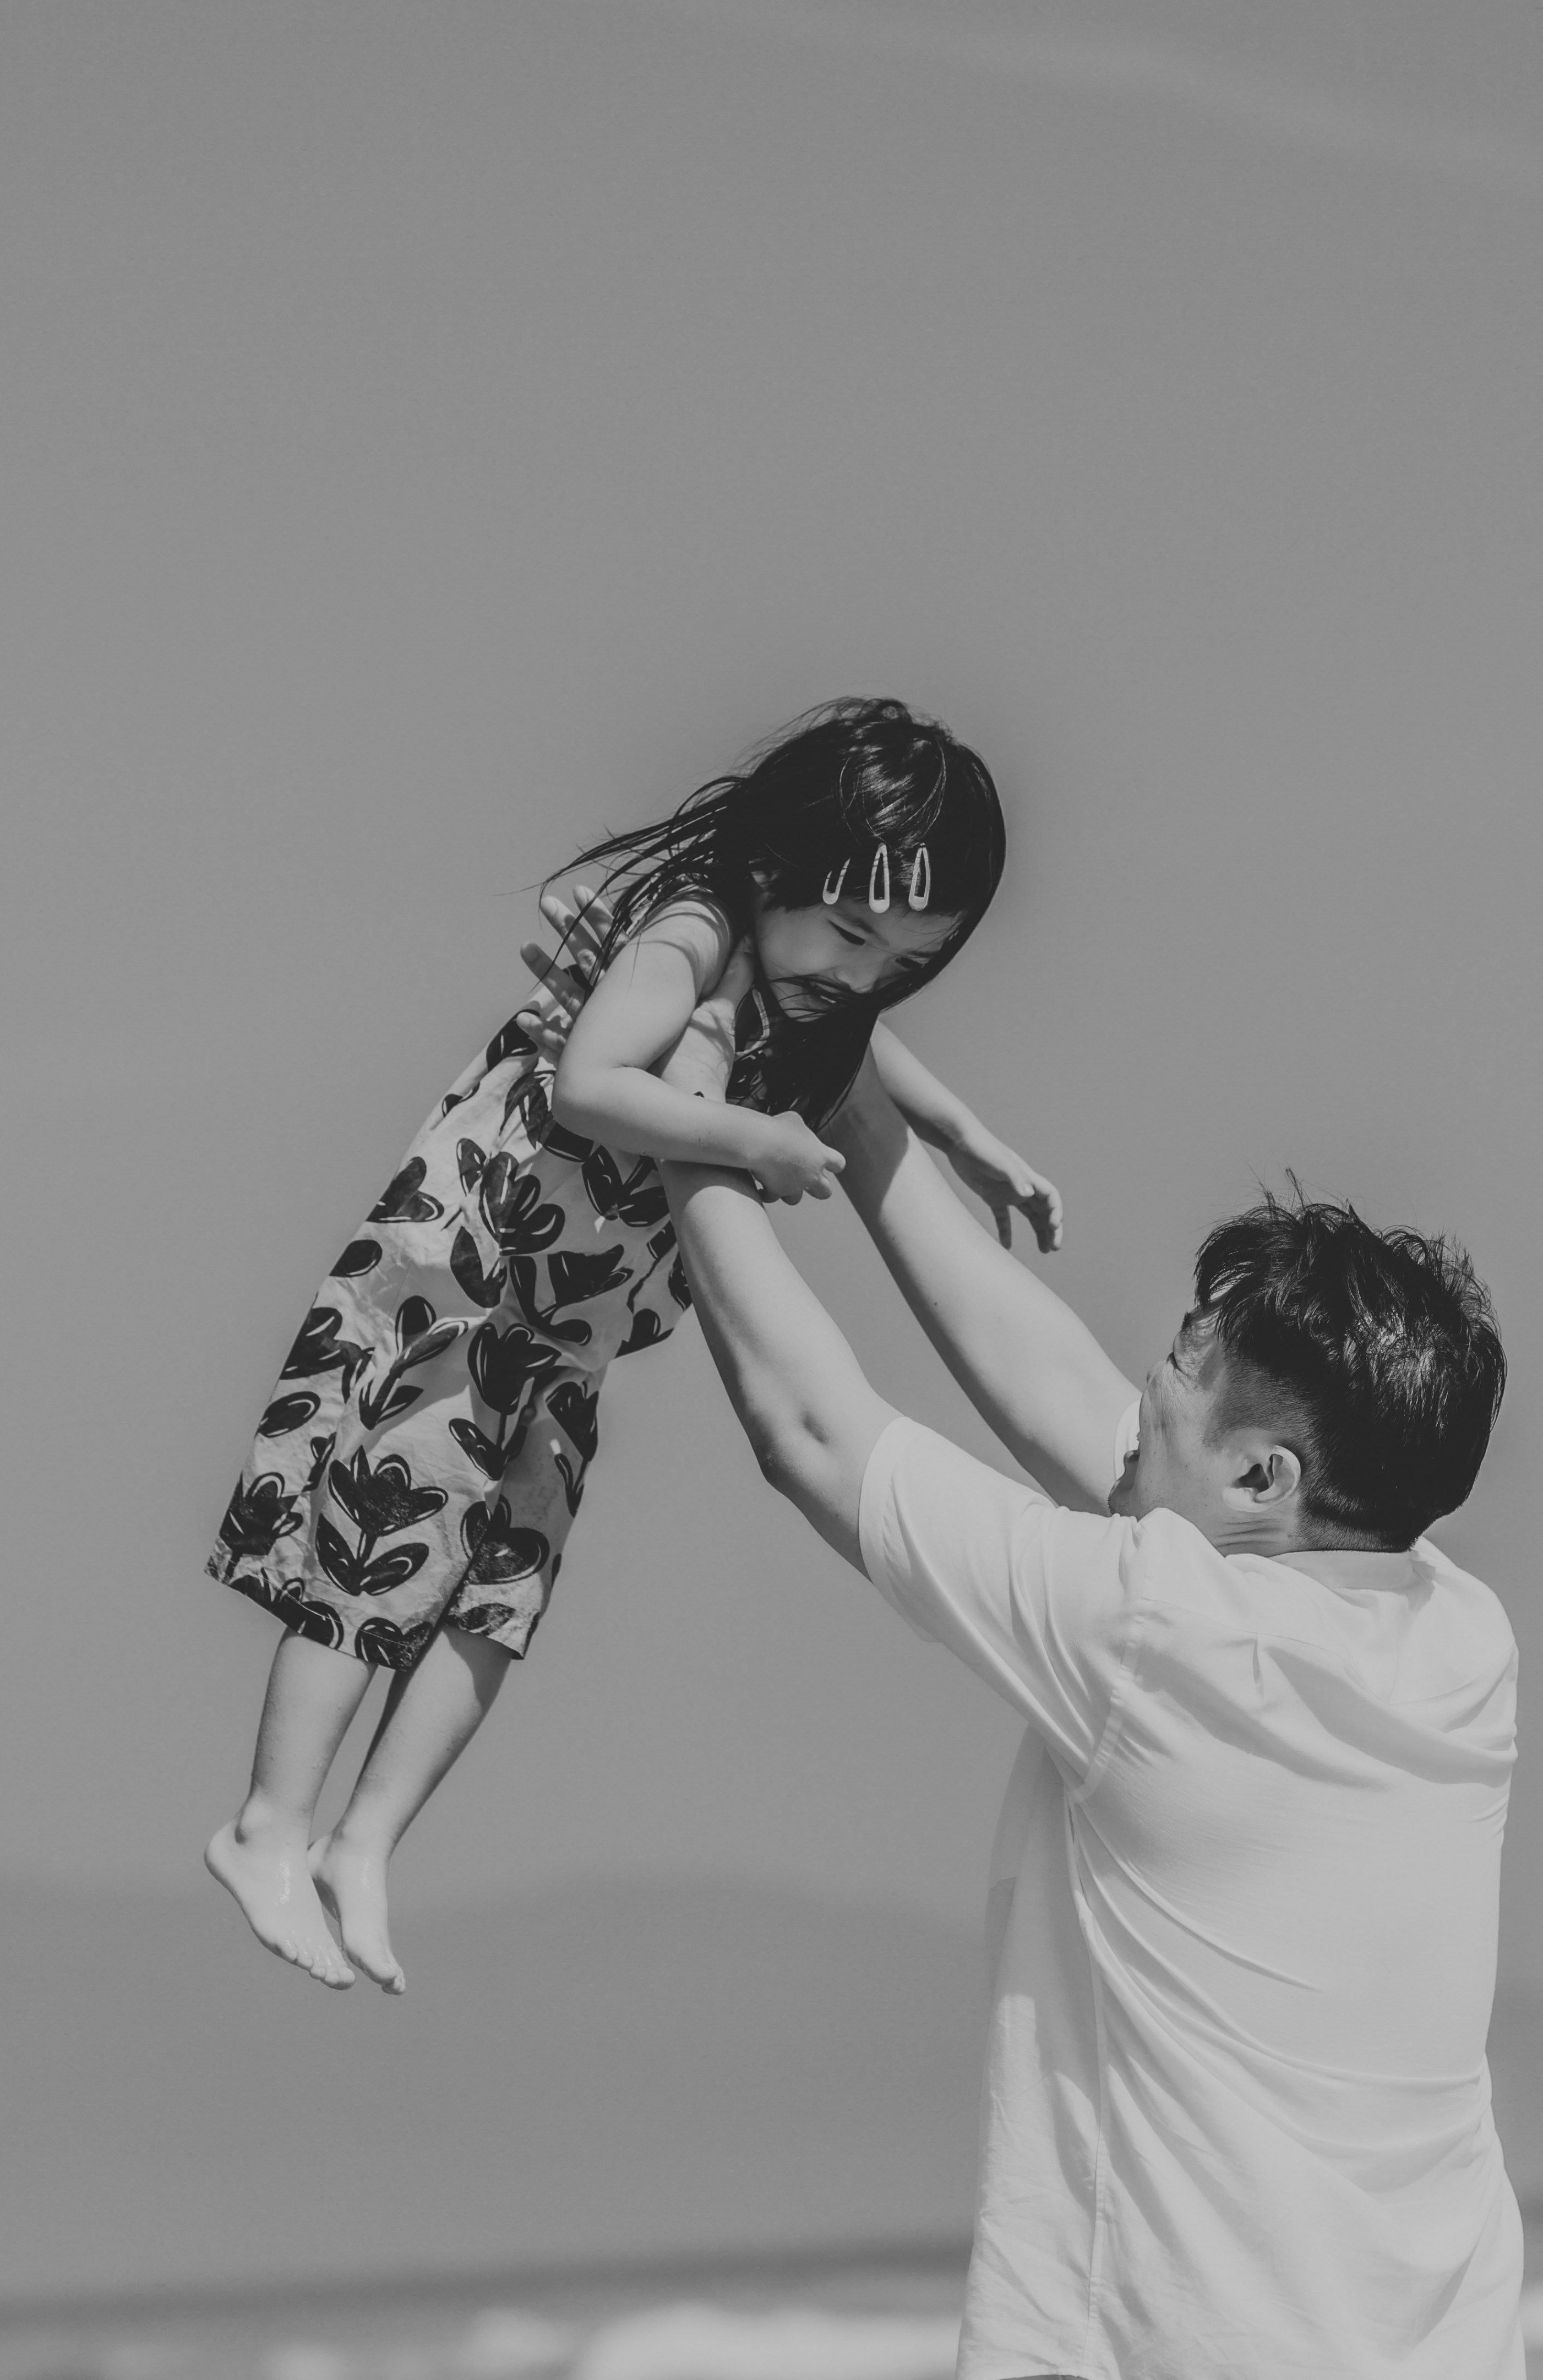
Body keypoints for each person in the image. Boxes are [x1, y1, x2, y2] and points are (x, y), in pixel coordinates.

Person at [644, 1003, 1526, 2380]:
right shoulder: (1457, 1637)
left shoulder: (1160, 1636)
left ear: (1264, 1480)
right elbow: (1070, 1405)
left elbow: (813, 1428)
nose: (1144, 1388)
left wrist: (676, 1123)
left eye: (1181, 1363)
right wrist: (860, 1105)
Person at [202, 700, 1061, 1992]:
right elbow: (589, 1083)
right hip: (467, 1280)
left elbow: (872, 1053)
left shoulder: (809, 984)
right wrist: (746, 1139)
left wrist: (963, 1136)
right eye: (851, 930)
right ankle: (270, 1818)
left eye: (904, 958)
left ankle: (364, 1837)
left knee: (499, 1593)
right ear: (777, 869)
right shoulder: (696, 928)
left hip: (563, 1336)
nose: (866, 972)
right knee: (376, 1547)